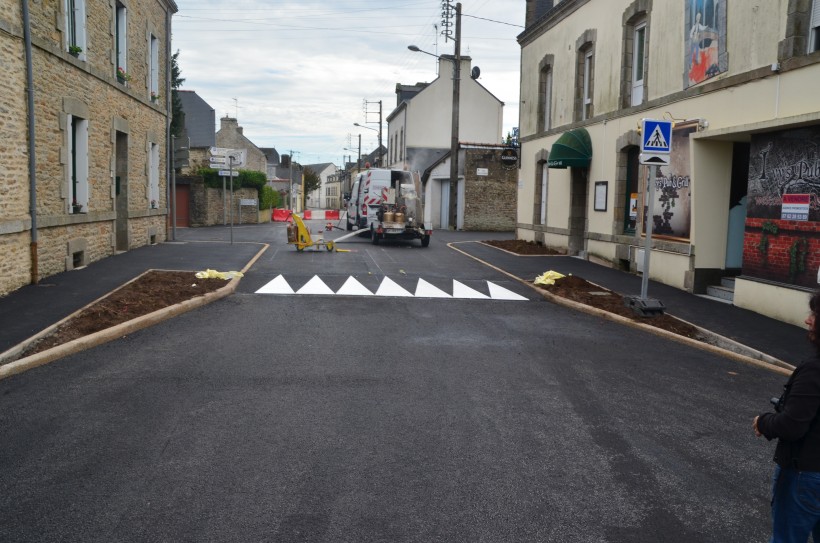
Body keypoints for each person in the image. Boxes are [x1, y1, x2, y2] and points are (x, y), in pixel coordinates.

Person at [754, 290, 820, 542]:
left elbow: (793, 425)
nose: (808, 320)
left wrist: (763, 421)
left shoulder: (814, 370)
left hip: (805, 474)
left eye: (815, 314)